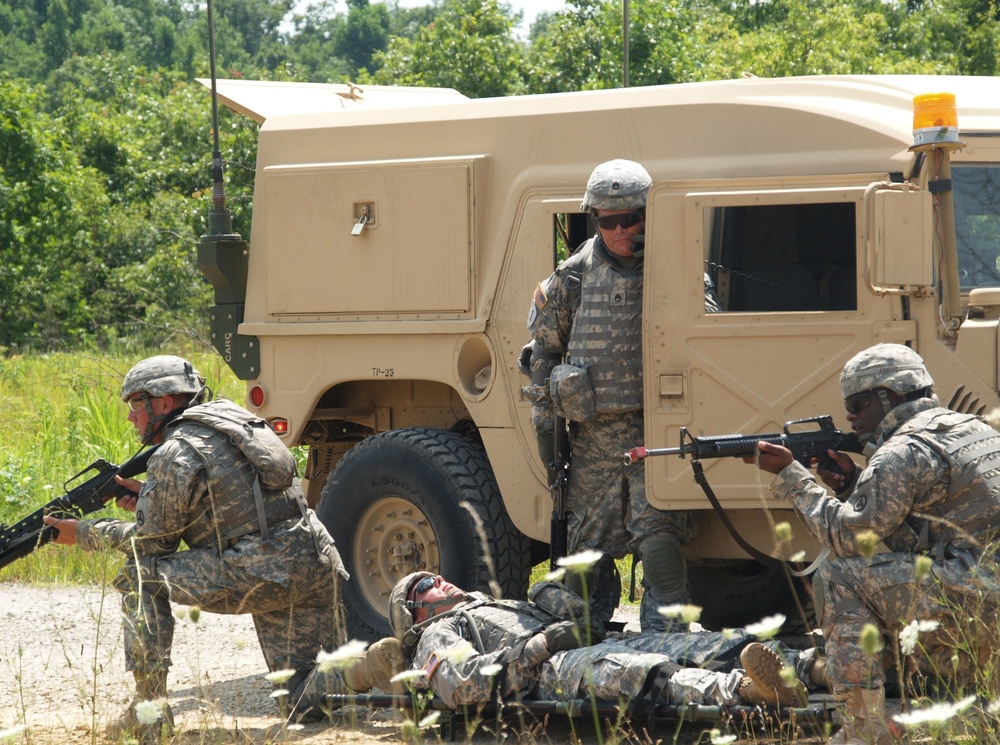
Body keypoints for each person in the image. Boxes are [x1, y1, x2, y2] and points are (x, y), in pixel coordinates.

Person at [42, 355, 348, 741]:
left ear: (164, 402)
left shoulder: (174, 452)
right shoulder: (236, 422)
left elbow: (150, 543)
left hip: (259, 572)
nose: (131, 417)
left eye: (136, 404)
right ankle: (372, 668)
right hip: (315, 563)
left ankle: (148, 713)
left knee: (139, 573)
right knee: (308, 701)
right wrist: (152, 498)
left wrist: (82, 532)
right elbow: (229, 500)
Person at [744, 343, 1000, 744]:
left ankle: (863, 729)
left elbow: (847, 540)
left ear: (893, 396)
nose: (850, 415)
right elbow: (924, 523)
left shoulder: (901, 451)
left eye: (859, 403)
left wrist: (792, 477)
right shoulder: (973, 429)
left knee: (841, 577)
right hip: (985, 592)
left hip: (976, 600)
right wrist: (851, 486)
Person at [524, 158, 719, 632]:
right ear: (595, 220)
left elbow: (708, 333)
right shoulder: (571, 279)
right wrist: (549, 432)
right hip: (593, 439)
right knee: (586, 559)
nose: (620, 230)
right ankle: (584, 652)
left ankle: (666, 647)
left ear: (648, 215)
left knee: (659, 544)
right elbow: (540, 358)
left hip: (658, 430)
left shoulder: (678, 268)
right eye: (608, 221)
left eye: (631, 218)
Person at [385, 572, 807, 715]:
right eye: (425, 584)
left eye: (436, 574)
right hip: (549, 671)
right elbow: (464, 687)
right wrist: (541, 645)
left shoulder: (497, 603)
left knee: (690, 644)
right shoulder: (435, 636)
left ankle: (811, 667)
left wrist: (564, 608)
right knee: (635, 669)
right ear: (415, 612)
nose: (438, 579)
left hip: (578, 646)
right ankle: (748, 691)